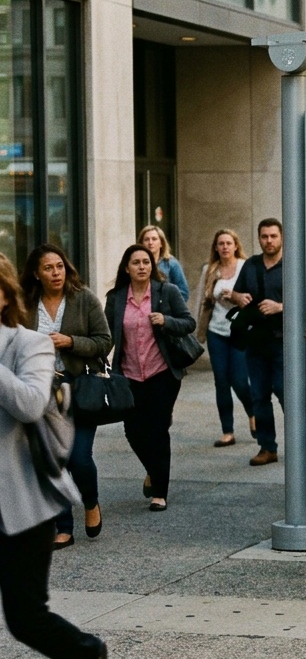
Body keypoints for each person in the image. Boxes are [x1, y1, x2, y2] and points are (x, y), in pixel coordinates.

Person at [0, 255, 110, 659]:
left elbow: (28, 403)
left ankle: (88, 655)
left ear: (5, 295)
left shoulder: (29, 344)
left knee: (25, 619)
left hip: (24, 502)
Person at [20, 244, 112, 548]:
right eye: (48, 268)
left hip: (80, 387)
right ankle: (63, 526)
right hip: (41, 391)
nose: (56, 273)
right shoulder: (26, 303)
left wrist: (70, 341)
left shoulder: (83, 298)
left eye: (59, 266)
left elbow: (104, 341)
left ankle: (90, 501)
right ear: (36, 274)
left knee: (79, 458)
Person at [104, 244, 196, 512]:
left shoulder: (167, 291)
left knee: (157, 430)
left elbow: (188, 323)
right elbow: (107, 335)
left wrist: (166, 321)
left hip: (162, 373)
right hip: (129, 374)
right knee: (133, 430)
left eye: (146, 262)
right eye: (136, 262)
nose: (142, 267)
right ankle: (154, 470)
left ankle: (159, 493)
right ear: (126, 268)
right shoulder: (116, 298)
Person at [231, 218, 286, 466]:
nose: (269, 241)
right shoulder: (251, 265)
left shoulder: (291, 265)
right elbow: (236, 292)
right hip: (256, 340)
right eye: (264, 236)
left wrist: (280, 307)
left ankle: (301, 445)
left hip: (283, 341)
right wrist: (237, 297)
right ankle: (267, 447)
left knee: (286, 393)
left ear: (282, 237)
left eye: (273, 236)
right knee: (259, 396)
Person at [197, 230, 254, 448]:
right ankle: (227, 431)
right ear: (216, 247)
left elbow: (254, 296)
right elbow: (202, 299)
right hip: (216, 331)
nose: (225, 247)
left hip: (240, 330)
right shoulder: (210, 269)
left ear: (236, 246)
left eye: (229, 243)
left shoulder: (245, 267)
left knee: (239, 380)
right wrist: (199, 327)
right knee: (221, 381)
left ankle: (253, 412)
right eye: (221, 243)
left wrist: (235, 296)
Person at [138, 225, 189, 301]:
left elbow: (183, 293)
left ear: (161, 243)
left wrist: (168, 305)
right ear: (141, 243)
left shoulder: (172, 264)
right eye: (146, 239)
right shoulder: (136, 264)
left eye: (154, 239)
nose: (150, 242)